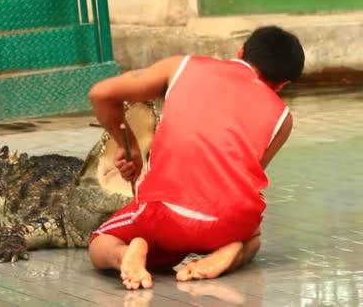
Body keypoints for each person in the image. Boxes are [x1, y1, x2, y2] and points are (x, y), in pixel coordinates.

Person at [87, 25, 305, 290]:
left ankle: (125, 256)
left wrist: (129, 145)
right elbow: (240, 175)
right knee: (253, 240)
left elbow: (101, 93)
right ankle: (232, 252)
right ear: (283, 85)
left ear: (240, 51)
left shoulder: (182, 66)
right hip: (228, 223)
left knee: (101, 242)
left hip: (164, 212)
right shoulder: (283, 119)